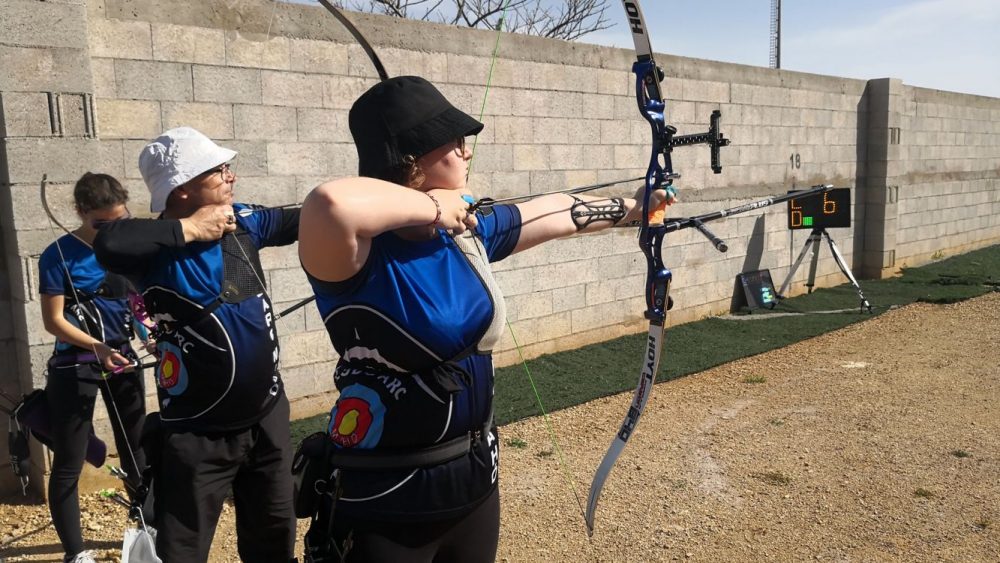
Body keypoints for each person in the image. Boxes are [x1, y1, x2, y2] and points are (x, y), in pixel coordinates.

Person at [297, 75, 676, 563]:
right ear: (412, 158)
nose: (466, 150)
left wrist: (635, 208)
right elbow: (330, 203)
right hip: (386, 498)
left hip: (474, 483)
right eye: (452, 141)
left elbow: (554, 212)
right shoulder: (352, 254)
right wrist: (434, 206)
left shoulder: (464, 233)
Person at [93, 127, 300, 563]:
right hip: (196, 431)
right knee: (182, 549)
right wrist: (188, 229)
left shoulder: (241, 221)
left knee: (274, 536)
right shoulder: (152, 248)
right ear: (182, 189)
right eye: (219, 170)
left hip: (267, 418)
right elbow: (109, 242)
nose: (232, 177)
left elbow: (303, 217)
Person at [38, 172, 149, 563]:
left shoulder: (128, 247)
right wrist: (97, 346)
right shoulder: (58, 255)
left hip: (123, 359)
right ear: (80, 212)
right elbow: (54, 321)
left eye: (118, 221)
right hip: (76, 364)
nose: (110, 231)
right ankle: (76, 554)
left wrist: (147, 331)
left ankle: (146, 536)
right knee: (69, 460)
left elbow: (135, 302)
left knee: (138, 451)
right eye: (102, 224)